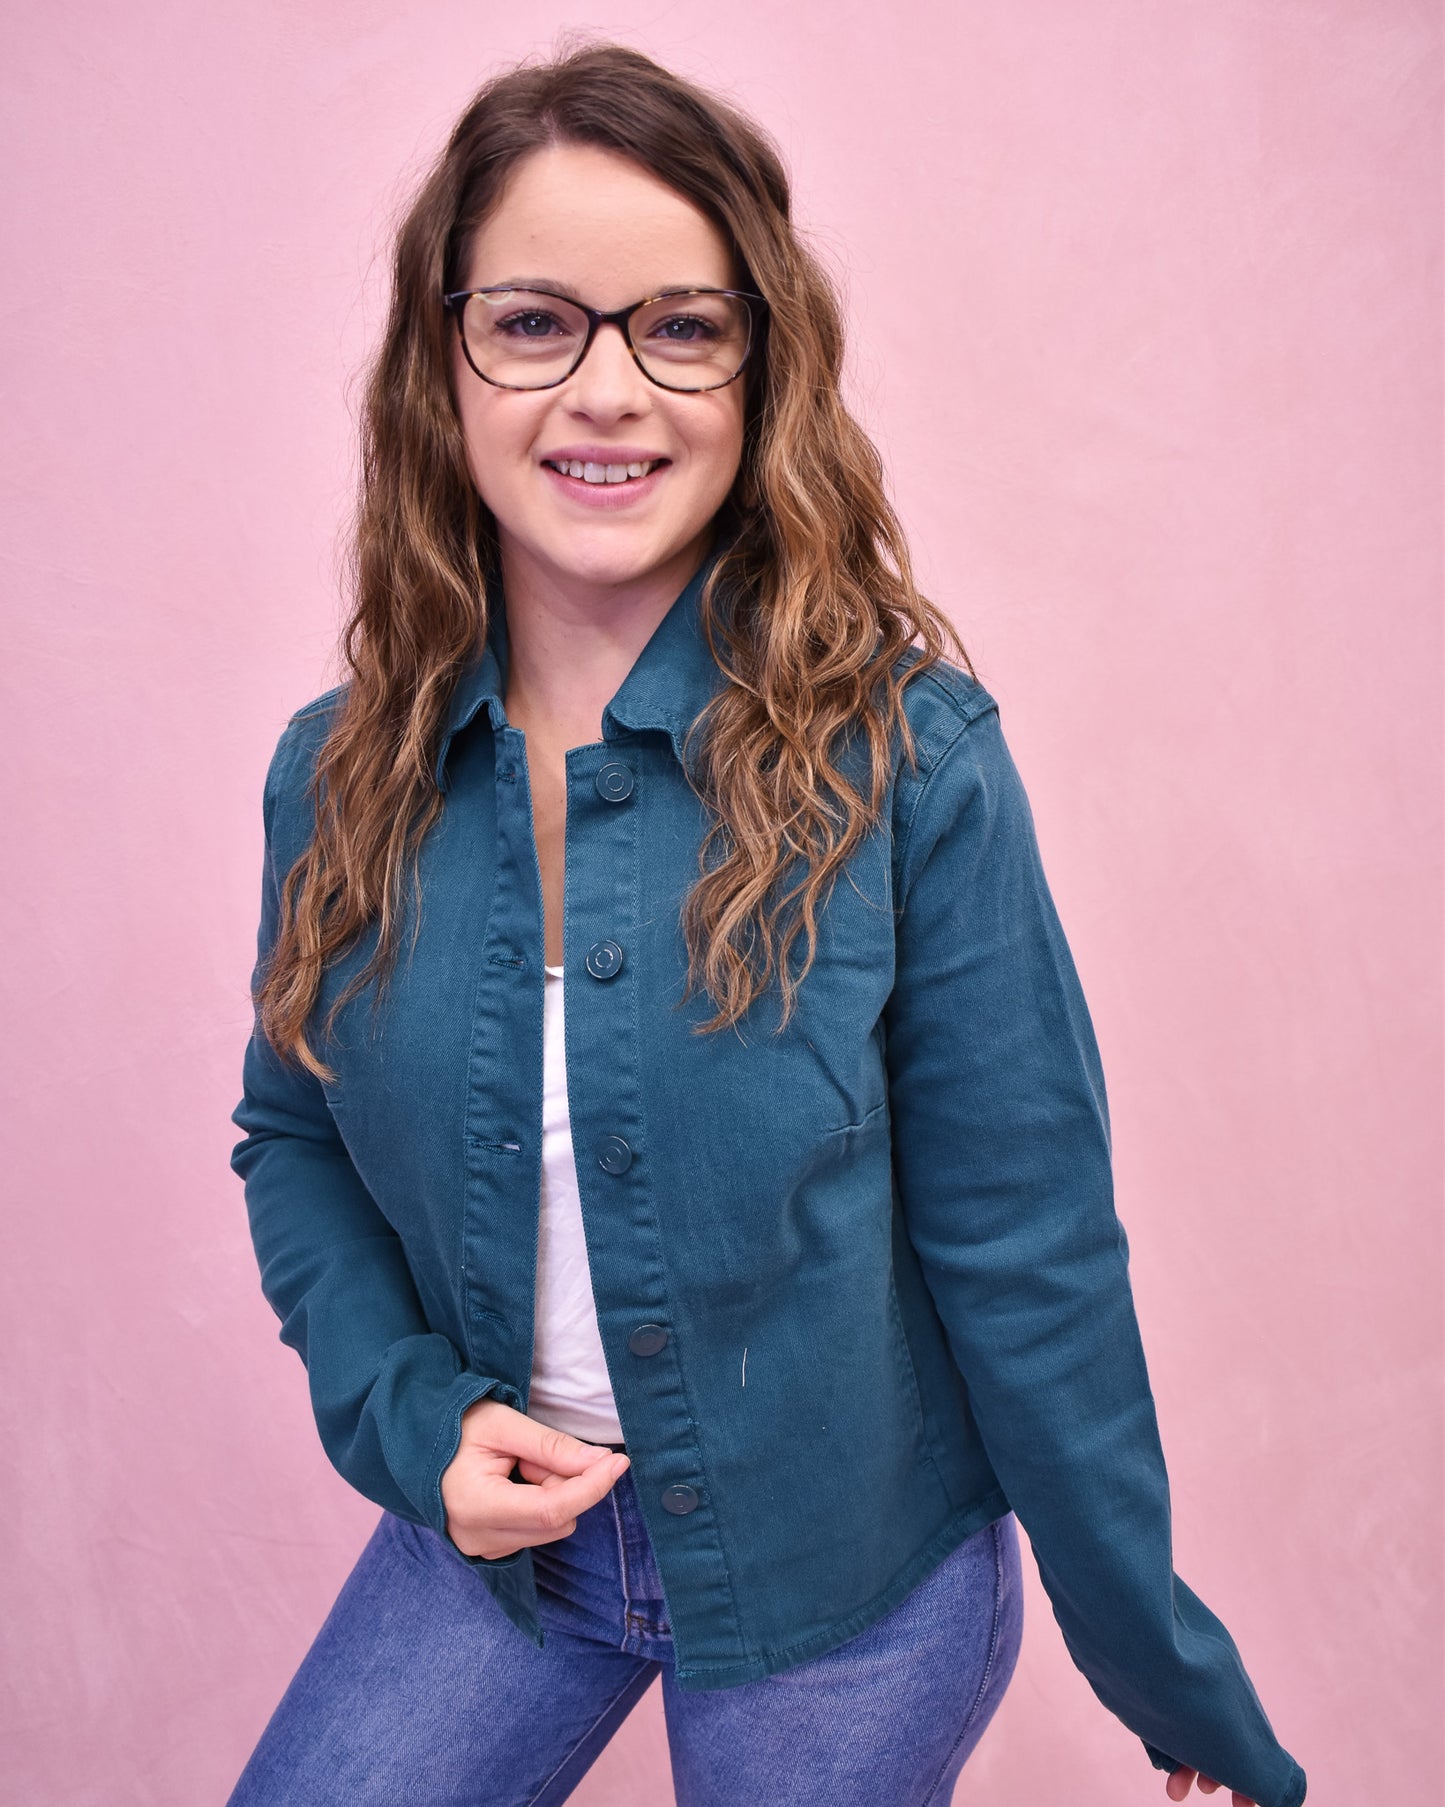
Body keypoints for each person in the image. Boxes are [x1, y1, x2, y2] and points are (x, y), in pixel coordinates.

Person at [225, 40, 1307, 1807]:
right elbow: (291, 1139)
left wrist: (1162, 1671)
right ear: (443, 362)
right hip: (501, 1564)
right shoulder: (334, 775)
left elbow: (1029, 1255)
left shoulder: (909, 763)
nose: (607, 391)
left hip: (847, 1592)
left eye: (680, 326)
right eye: (532, 322)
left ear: (759, 368)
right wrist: (412, 1424)